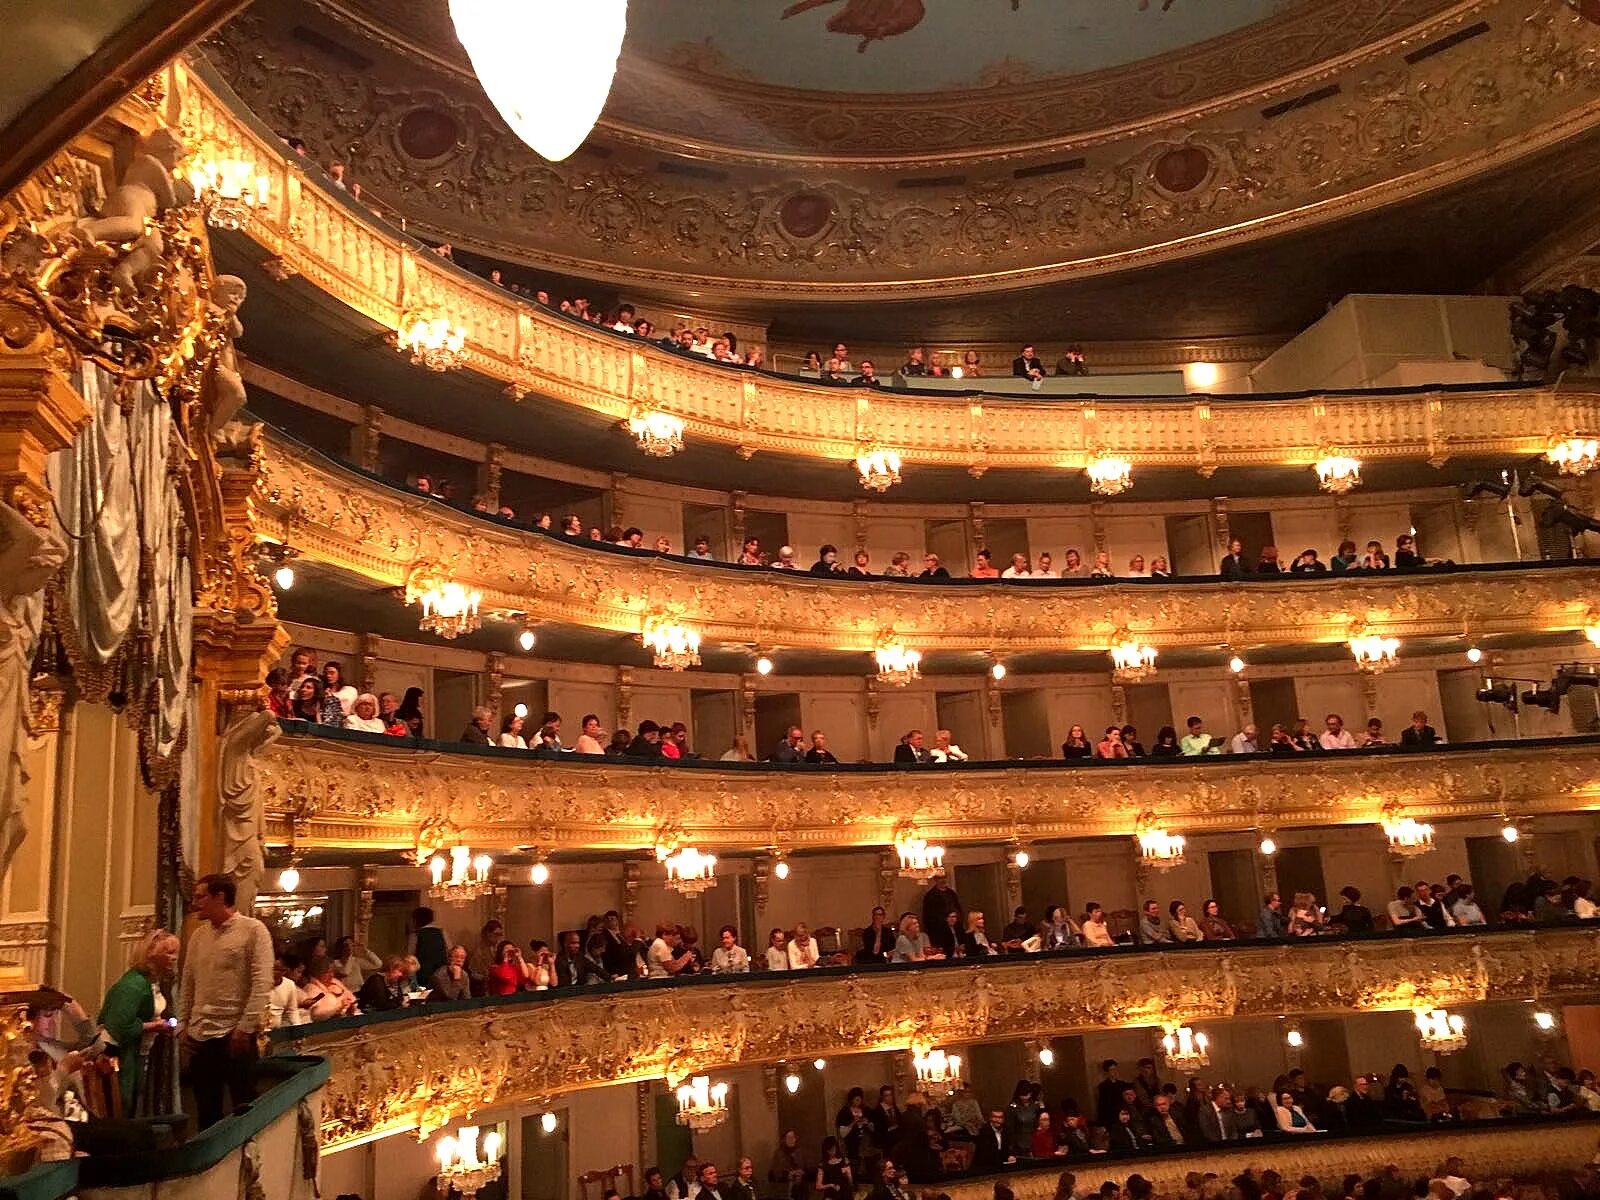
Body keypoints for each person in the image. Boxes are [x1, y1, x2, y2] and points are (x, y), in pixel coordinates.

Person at [179, 874, 273, 1129]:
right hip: (200, 1036)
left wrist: (244, 1027)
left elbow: (262, 982)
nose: (196, 902)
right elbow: (188, 983)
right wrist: (183, 1025)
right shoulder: (199, 936)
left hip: (235, 1037)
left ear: (220, 897)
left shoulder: (254, 930)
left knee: (245, 1109)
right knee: (206, 1111)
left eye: (201, 896)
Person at [99, 928, 179, 1115]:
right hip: (116, 1053)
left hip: (138, 1051)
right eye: (169, 952)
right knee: (122, 1105)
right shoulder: (133, 985)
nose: (174, 958)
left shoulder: (150, 982)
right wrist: (156, 1026)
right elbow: (120, 1025)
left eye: (175, 953)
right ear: (152, 955)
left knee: (134, 1100)